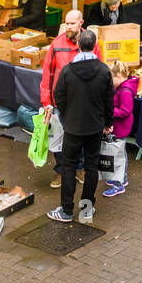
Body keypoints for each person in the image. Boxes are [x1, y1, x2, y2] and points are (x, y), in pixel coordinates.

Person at [47, 30, 114, 225]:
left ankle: (66, 210)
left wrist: (67, 116)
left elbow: (58, 95)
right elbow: (109, 99)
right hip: (95, 127)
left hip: (73, 128)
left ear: (78, 45)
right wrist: (107, 122)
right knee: (91, 167)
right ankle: (86, 208)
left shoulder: (68, 71)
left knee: (68, 167)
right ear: (94, 46)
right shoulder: (103, 70)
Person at [41, 9, 102, 189]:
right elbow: (48, 73)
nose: (68, 26)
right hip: (61, 102)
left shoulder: (92, 42)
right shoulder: (56, 44)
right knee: (59, 138)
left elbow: (99, 68)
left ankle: (80, 168)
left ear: (80, 23)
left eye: (72, 23)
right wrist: (47, 102)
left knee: (81, 136)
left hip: (83, 102)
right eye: (66, 23)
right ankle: (61, 170)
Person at [102, 61, 139, 197]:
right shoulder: (122, 87)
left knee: (118, 156)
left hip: (120, 127)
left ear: (118, 76)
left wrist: (108, 111)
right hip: (119, 126)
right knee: (119, 153)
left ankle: (119, 184)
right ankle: (122, 179)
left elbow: (125, 111)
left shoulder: (125, 91)